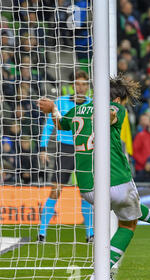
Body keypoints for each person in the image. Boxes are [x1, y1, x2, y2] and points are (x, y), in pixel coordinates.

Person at [37, 74, 150, 280]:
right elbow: (111, 115)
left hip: (88, 188)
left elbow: (59, 124)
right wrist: (107, 111)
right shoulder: (115, 108)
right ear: (118, 99)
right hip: (116, 179)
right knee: (128, 224)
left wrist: (52, 110)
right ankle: (100, 275)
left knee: (131, 210)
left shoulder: (77, 110)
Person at [38, 70, 94, 242]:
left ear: (88, 86)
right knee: (55, 191)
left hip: (85, 151)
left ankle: (90, 234)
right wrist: (43, 147)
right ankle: (42, 233)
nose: (81, 87)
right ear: (72, 85)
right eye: (77, 83)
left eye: (84, 84)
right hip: (65, 150)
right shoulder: (60, 102)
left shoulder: (92, 104)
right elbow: (49, 126)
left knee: (87, 193)